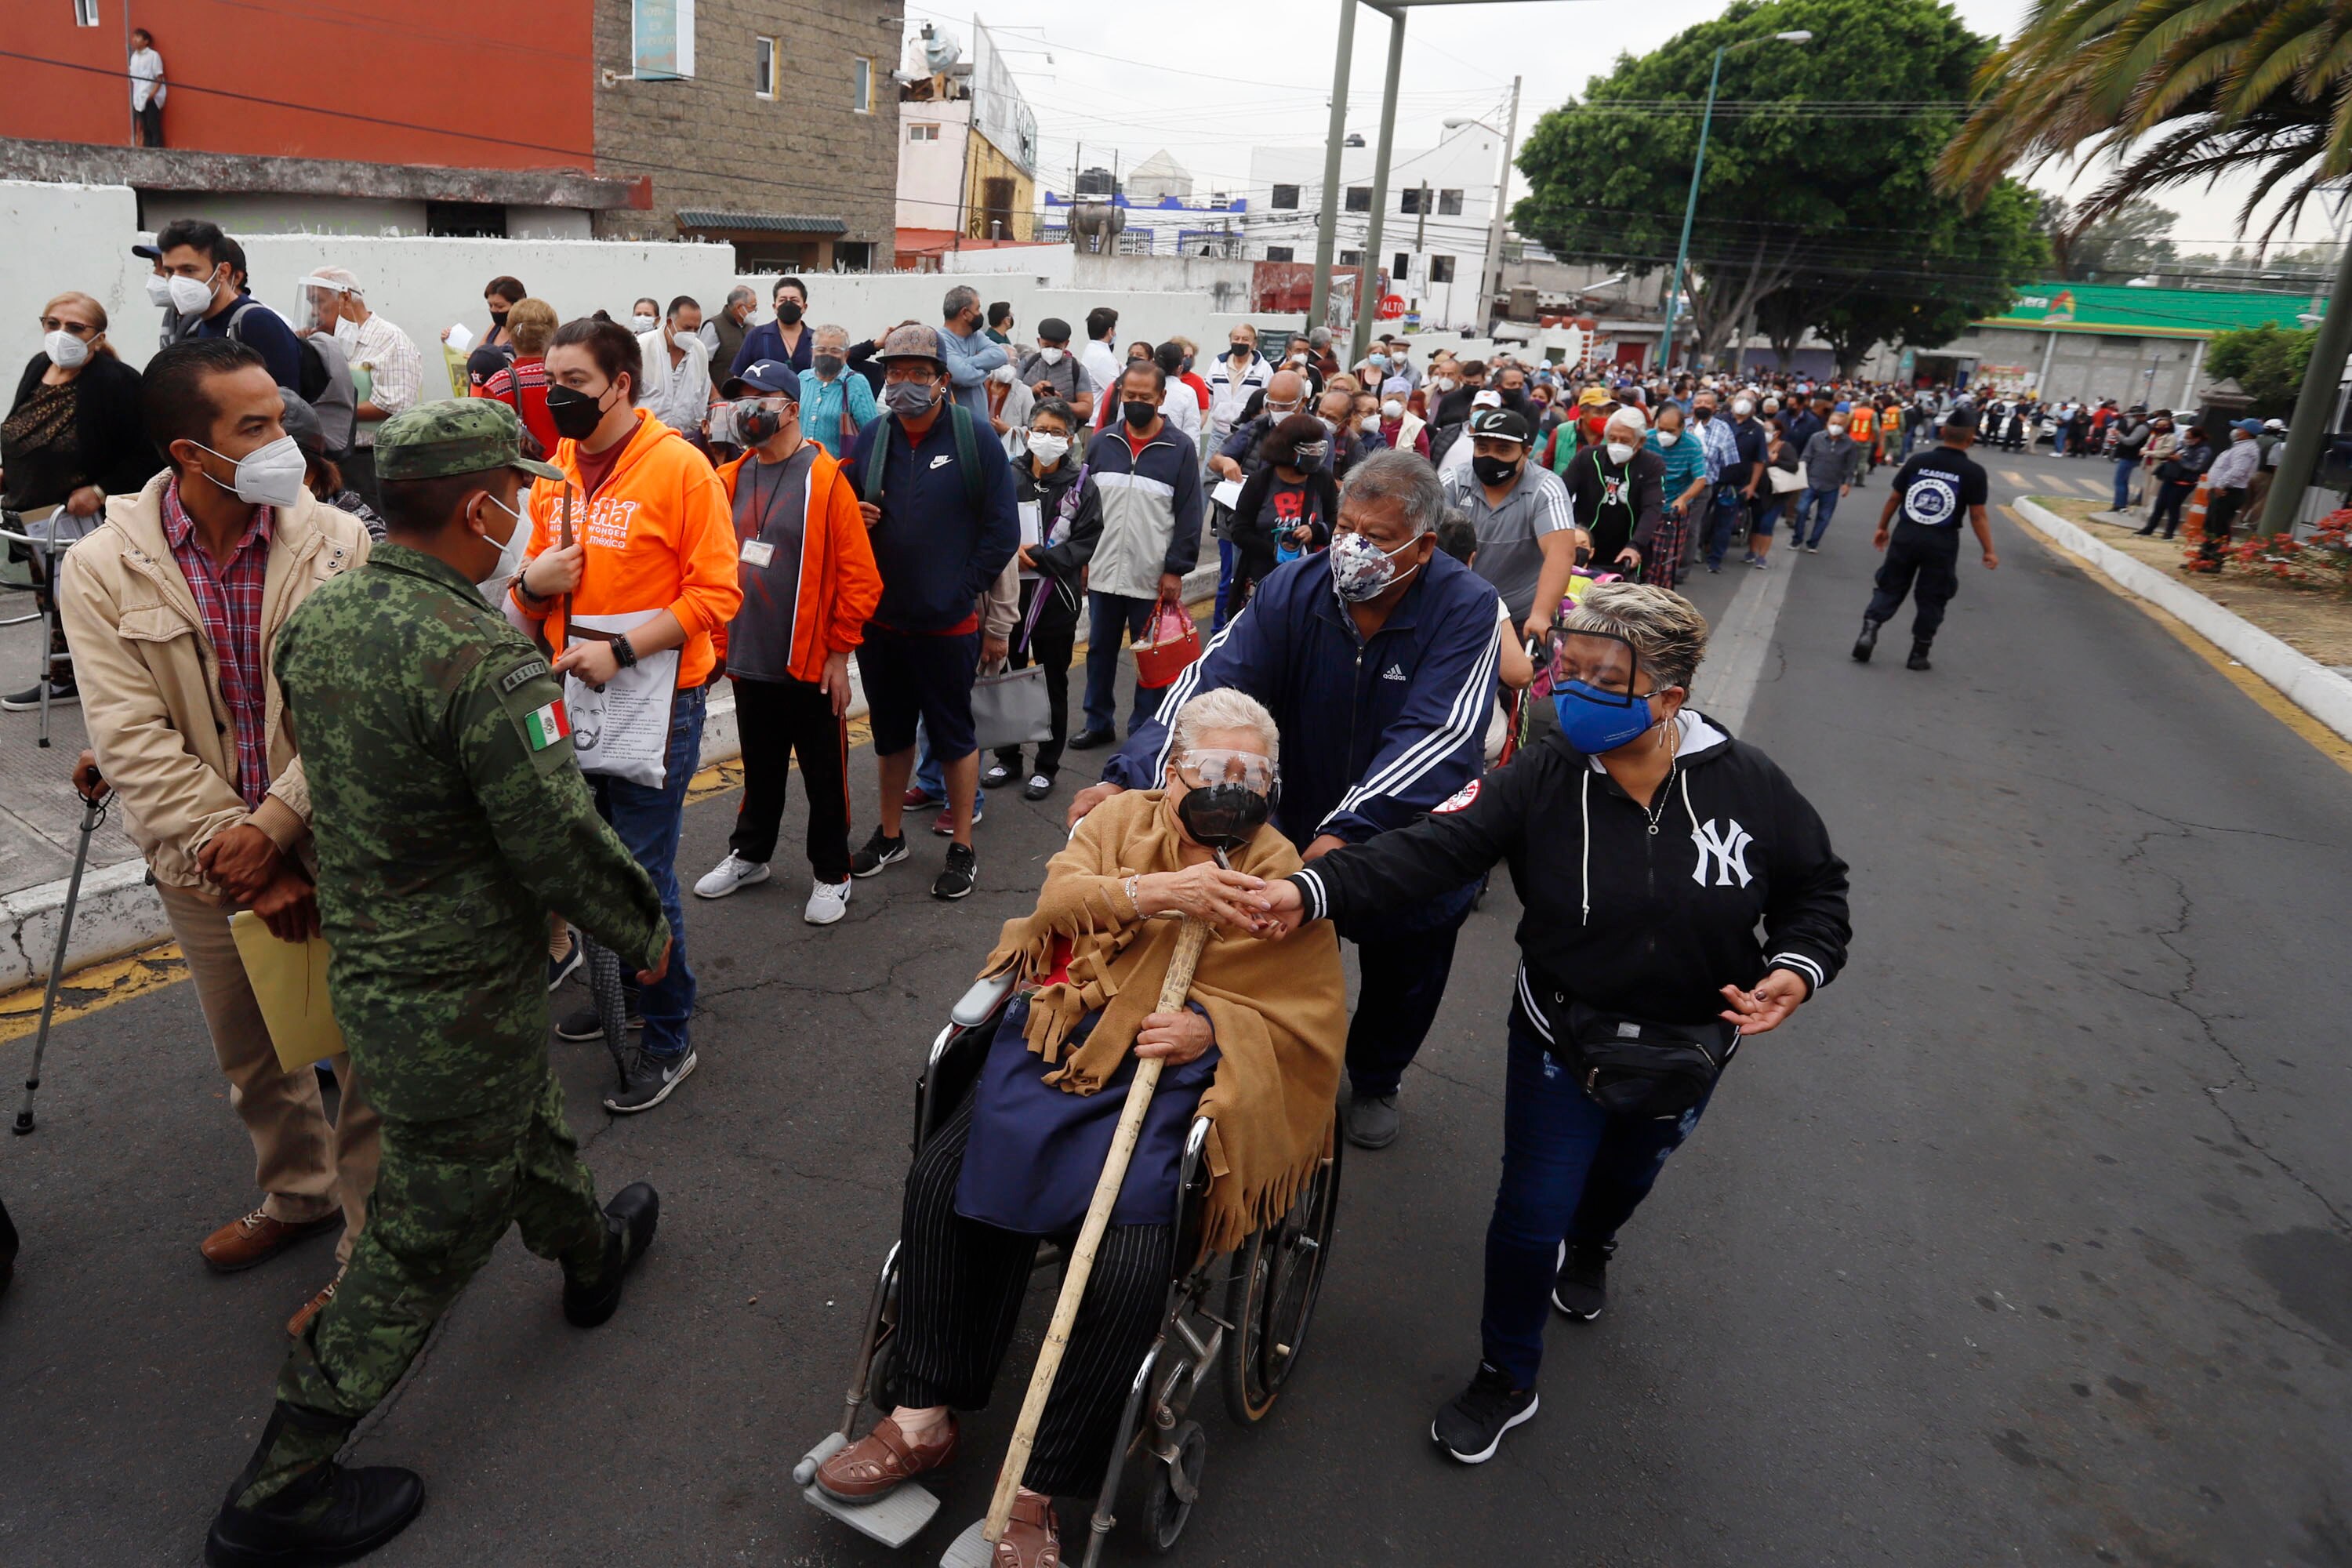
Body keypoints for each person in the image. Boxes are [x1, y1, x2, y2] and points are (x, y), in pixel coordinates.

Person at [207, 400, 672, 1568]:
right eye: (512, 496)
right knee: (425, 1231)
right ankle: (282, 1485)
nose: (521, 515)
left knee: (524, 1124)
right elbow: (556, 838)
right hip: (459, 991)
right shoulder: (485, 659)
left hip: (377, 967)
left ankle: (590, 1257)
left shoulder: (321, 620)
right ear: (478, 508)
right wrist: (642, 927)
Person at [1259, 582, 1850, 1464]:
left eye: (1603, 678)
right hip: (1559, 1038)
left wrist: (1797, 968)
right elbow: (1433, 849)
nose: (1570, 691)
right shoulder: (1540, 772)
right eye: (1568, 670)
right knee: (1531, 1215)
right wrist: (1309, 891)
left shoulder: (1750, 783)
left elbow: (1818, 891)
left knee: (1622, 1180)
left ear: (1668, 700)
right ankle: (1506, 1375)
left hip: (1691, 1047)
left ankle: (1598, 1241)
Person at [814, 688, 1343, 1568]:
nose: (1233, 786)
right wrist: (1156, 890)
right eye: (1213, 768)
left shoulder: (1278, 866)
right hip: (1067, 1036)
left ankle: (1040, 1484)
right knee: (943, 1183)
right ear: (1174, 771)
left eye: (1253, 773)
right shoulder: (1119, 820)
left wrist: (1212, 1029)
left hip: (1169, 1080)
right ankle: (923, 1415)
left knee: (1130, 1262)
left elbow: (1303, 1009)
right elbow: (1058, 904)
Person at [56, 338, 379, 1335]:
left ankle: (373, 1257)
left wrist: (277, 825)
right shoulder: (101, 567)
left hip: (338, 840)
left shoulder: (337, 541)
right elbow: (128, 736)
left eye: (280, 417)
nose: (286, 440)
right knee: (255, 1052)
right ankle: (299, 1193)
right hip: (202, 863)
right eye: (256, 426)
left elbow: (356, 705)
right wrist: (237, 856)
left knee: (364, 1062)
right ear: (191, 453)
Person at [1074, 450, 1499, 1152]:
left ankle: (1377, 1077)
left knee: (1407, 966)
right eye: (1346, 529)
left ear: (1424, 546)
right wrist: (1128, 776)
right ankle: (1278, 1057)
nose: (1353, 549)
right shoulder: (1291, 589)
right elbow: (1210, 687)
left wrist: (1348, 830)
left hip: (1406, 835)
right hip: (1293, 825)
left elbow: (1440, 733)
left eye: (1377, 537)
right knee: (1274, 960)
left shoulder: (1468, 606)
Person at [510, 318, 742, 1112]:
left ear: (620, 384)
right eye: (551, 379)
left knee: (640, 874)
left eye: (574, 381)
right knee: (589, 861)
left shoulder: (680, 468)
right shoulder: (556, 468)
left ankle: (670, 1032)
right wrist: (532, 585)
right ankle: (631, 991)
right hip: (569, 698)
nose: (557, 395)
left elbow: (716, 594)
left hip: (658, 700)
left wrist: (623, 650)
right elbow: (531, 585)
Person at [694, 362, 880, 920]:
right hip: (747, 654)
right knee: (760, 766)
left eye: (760, 399)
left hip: (809, 661)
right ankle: (751, 854)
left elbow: (861, 578)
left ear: (792, 409)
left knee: (825, 775)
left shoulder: (825, 479)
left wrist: (840, 652)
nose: (746, 410)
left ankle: (832, 873)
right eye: (740, 399)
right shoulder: (730, 476)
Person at [840, 324, 1018, 901]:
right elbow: (842, 513)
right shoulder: (874, 437)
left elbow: (1002, 532)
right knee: (891, 736)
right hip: (882, 624)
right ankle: (891, 836)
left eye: (919, 373)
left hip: (948, 625)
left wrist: (959, 591)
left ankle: (962, 845)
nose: (905, 383)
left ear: (943, 379)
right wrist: (855, 516)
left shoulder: (974, 438)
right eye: (895, 372)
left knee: (953, 737)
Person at [1, 292, 160, 710]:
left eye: (75, 328)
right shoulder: (39, 366)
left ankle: (112, 683)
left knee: (88, 601)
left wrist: (101, 490)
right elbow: (20, 430)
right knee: (51, 599)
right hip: (33, 514)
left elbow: (149, 452)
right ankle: (65, 678)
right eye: (52, 324)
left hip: (81, 519)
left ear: (98, 337)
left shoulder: (116, 381)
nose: (61, 334)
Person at [1070, 361, 1204, 750]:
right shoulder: (1102, 443)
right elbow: (1083, 505)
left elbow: (1189, 514)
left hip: (1152, 573)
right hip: (1103, 569)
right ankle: (1097, 721)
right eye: (1130, 396)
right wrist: (1083, 558)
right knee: (1099, 651)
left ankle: (1145, 730)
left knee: (1151, 656)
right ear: (1120, 395)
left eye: (1146, 397)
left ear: (1161, 398)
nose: (1137, 402)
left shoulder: (1179, 449)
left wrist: (1176, 569)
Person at [985, 397, 1100, 802]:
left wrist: (1043, 558)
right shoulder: (1008, 474)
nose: (1046, 438)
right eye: (1040, 430)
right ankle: (1008, 757)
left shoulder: (1082, 484)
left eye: (1056, 432)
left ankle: (1047, 765)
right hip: (1009, 596)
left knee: (1053, 680)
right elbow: (989, 521)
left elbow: (1087, 539)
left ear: (1069, 439)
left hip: (1056, 598)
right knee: (1006, 674)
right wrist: (1009, 550)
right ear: (1027, 432)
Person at [1854, 408, 1998, 673]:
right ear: (1971, 439)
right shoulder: (1974, 472)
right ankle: (1919, 652)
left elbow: (1895, 498)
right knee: (1933, 596)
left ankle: (1869, 630)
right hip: (1942, 542)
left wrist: (1882, 527)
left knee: (1890, 586)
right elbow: (1978, 516)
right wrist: (1988, 550)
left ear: (1942, 432)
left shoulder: (1918, 461)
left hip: (1906, 535)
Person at [1439, 407, 1584, 644]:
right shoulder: (1453, 481)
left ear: (1526, 452)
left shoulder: (1546, 489)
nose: (1490, 457)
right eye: (1482, 448)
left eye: (1503, 449)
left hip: (1518, 620)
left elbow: (1561, 553)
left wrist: (1541, 614)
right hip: (1454, 611)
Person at [305, 267, 422, 505]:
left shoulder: (390, 340)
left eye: (318, 302)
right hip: (331, 458)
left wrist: (330, 412)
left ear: (345, 297)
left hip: (371, 461)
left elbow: (393, 406)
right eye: (311, 304)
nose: (314, 312)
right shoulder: (324, 340)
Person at [155, 220, 305, 394]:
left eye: (189, 270)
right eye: (170, 272)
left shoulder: (257, 322)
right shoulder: (193, 325)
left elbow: (288, 402)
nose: (177, 281)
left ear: (223, 272)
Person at [1225, 412, 1338, 616]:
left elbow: (1336, 523)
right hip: (1262, 579)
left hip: (1309, 580)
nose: (1315, 454)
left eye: (1317, 448)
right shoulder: (1260, 482)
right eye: (1309, 449)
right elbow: (1240, 531)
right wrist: (1275, 550)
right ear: (1287, 449)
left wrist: (1315, 531)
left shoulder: (1322, 479)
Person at [1563, 408, 1663, 577]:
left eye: (1625, 441)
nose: (1617, 444)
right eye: (1612, 438)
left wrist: (1636, 545)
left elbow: (1652, 508)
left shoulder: (1651, 465)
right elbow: (1562, 493)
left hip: (1625, 550)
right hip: (1584, 547)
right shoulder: (1588, 457)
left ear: (1640, 442)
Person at [472, 296, 560, 455]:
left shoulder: (499, 384)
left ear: (511, 336)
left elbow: (487, 443)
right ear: (553, 333)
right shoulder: (570, 378)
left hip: (523, 468)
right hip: (569, 467)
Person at [635, 296, 715, 453]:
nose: (692, 334)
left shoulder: (699, 351)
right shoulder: (641, 347)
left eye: (696, 329)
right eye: (687, 328)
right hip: (641, 442)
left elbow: (701, 400)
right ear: (670, 323)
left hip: (682, 444)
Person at [1643, 402, 1707, 590]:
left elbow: (1700, 479)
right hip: (1648, 503)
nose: (1664, 434)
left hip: (1673, 505)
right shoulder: (1648, 439)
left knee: (1667, 557)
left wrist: (1683, 499)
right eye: (1661, 429)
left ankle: (1662, 591)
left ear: (1681, 428)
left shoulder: (1692, 445)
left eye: (1670, 431)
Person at [797, 323, 879, 459]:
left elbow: (873, 434)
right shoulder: (803, 378)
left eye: (834, 351)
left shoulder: (856, 383)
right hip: (802, 466)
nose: (827, 355)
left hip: (838, 468)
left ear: (846, 354)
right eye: (821, 349)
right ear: (813, 351)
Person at [2195, 419, 2265, 568]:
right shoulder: (2239, 446)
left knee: (2219, 528)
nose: (2236, 431)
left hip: (2228, 491)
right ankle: (2204, 558)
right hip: (2221, 490)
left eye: (2240, 428)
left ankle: (2214, 561)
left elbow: (2238, 471)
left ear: (2246, 432)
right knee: (2210, 526)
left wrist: (2221, 484)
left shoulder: (2246, 450)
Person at [937, 285, 1011, 425]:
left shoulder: (976, 336)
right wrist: (987, 369)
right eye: (977, 309)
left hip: (981, 425)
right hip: (958, 426)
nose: (979, 314)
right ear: (965, 313)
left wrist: (965, 363)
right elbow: (962, 376)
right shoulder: (940, 341)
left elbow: (1001, 355)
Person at [1792, 409, 1863, 553]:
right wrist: (1800, 475)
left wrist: (1847, 484)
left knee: (1824, 517)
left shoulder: (1850, 444)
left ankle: (1813, 544)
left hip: (1832, 485)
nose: (1835, 426)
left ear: (1845, 426)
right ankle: (1797, 539)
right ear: (1827, 423)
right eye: (1833, 423)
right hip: (1812, 482)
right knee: (1801, 510)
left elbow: (1850, 466)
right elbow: (1806, 457)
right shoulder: (1816, 438)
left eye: (1840, 424)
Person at [1013, 317, 1096, 425]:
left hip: (1060, 430)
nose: (1051, 350)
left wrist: (1061, 403)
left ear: (1066, 344)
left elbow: (1087, 409)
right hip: (1027, 428)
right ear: (1039, 341)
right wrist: (1031, 390)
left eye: (1057, 347)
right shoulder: (1027, 363)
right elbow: (1012, 397)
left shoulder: (1076, 369)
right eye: (1046, 346)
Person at [731, 277, 814, 380]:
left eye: (794, 300)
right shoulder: (756, 336)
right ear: (775, 307)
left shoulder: (816, 340)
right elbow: (738, 378)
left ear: (804, 307)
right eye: (782, 300)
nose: (788, 304)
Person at [2138, 423, 2209, 541]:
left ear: (2198, 438)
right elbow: (2173, 454)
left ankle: (2169, 533)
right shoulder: (2183, 445)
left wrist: (2180, 460)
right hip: (2171, 477)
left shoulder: (2203, 451)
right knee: (2159, 505)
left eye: (2189, 438)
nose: (2186, 440)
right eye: (2185, 437)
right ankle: (2149, 528)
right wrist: (2171, 457)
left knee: (2173, 507)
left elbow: (2196, 467)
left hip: (2184, 483)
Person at [1204, 324, 1269, 452]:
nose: (1240, 342)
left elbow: (1267, 402)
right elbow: (1208, 396)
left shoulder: (1263, 369)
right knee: (1210, 465)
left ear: (1254, 343)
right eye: (1236, 338)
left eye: (1245, 339)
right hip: (1218, 432)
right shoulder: (1218, 364)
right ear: (1230, 340)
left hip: (1247, 433)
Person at [444, 275, 526, 355]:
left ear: (517, 305)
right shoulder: (495, 327)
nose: (493, 310)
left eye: (500, 306)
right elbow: (477, 353)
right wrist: (450, 341)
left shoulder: (525, 334)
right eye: (490, 305)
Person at [2106, 404, 2154, 512]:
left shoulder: (2142, 427)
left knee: (2120, 480)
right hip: (2130, 456)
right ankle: (2121, 504)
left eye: (2134, 416)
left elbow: (2131, 441)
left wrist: (2118, 435)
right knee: (2122, 481)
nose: (2133, 418)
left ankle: (2120, 504)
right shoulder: (2140, 425)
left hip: (2131, 456)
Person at [701, 284, 757, 374]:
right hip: (722, 383)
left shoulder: (751, 327)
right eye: (753, 307)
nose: (755, 311)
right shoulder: (714, 327)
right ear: (739, 307)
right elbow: (701, 363)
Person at [129, 28, 167, 147]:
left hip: (151, 97)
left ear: (146, 41)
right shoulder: (134, 57)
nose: (135, 40)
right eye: (134, 37)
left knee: (153, 127)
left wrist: (153, 94)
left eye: (138, 37)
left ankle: (158, 152)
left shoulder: (153, 56)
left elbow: (159, 77)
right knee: (145, 128)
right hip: (139, 97)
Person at [1079, 306, 1122, 403]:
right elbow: (1117, 390)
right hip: (1098, 411)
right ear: (1110, 331)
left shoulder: (1093, 350)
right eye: (1114, 329)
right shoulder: (1102, 356)